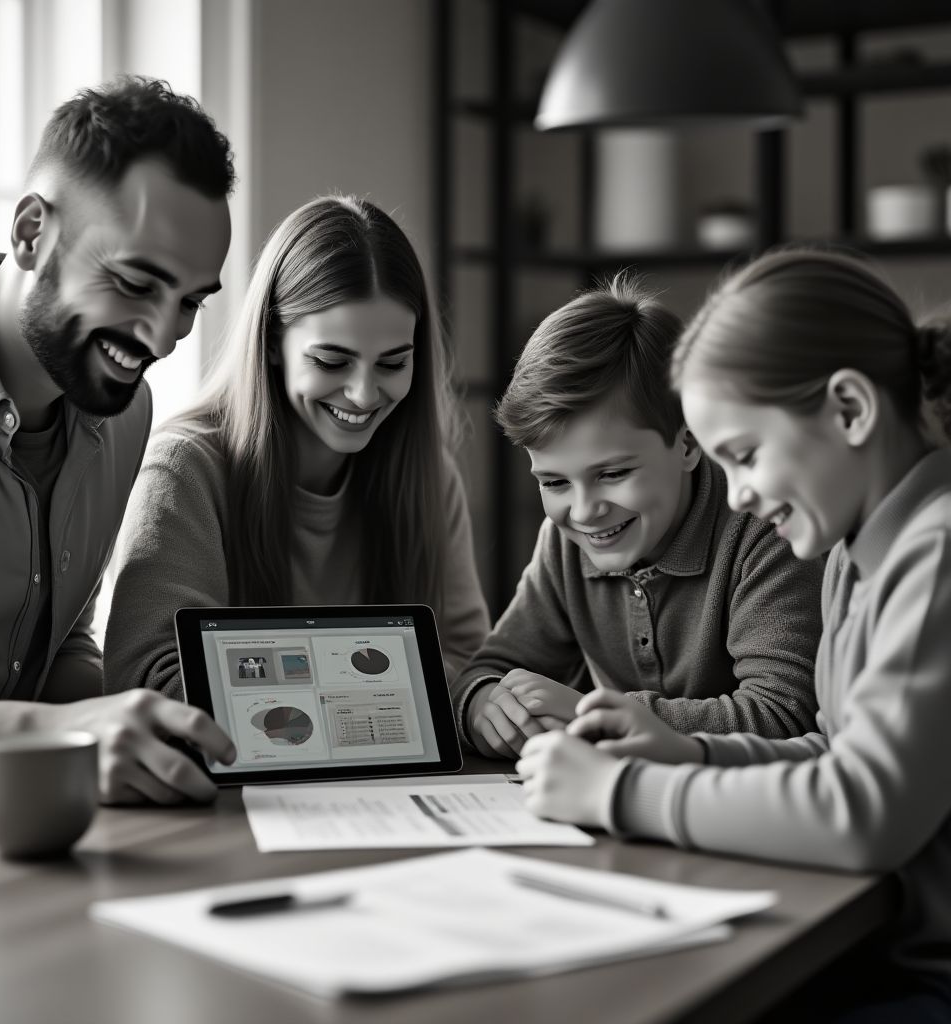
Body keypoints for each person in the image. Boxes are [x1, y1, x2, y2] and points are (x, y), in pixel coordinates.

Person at [518, 248, 951, 1021]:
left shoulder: (935, 551)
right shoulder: (861, 550)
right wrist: (691, 750)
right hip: (880, 954)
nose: (741, 494)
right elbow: (837, 753)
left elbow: (864, 810)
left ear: (850, 410)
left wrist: (622, 791)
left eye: (745, 456)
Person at [0, 76, 238, 804]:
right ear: (32, 232)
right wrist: (48, 733)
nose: (162, 336)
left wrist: (144, 721)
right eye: (135, 283)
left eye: (190, 300)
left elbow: (56, 642)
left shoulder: (126, 414)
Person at [104, 195, 490, 698]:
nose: (364, 394)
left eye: (393, 364)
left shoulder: (429, 475)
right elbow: (149, 683)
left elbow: (465, 657)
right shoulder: (184, 470)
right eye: (332, 361)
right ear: (271, 342)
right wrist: (372, 685)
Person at [453, 277, 823, 759]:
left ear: (687, 444)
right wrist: (482, 703)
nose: (584, 511)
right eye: (554, 482)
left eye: (612, 473)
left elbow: (783, 714)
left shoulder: (764, 527)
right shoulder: (568, 541)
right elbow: (494, 666)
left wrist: (594, 713)